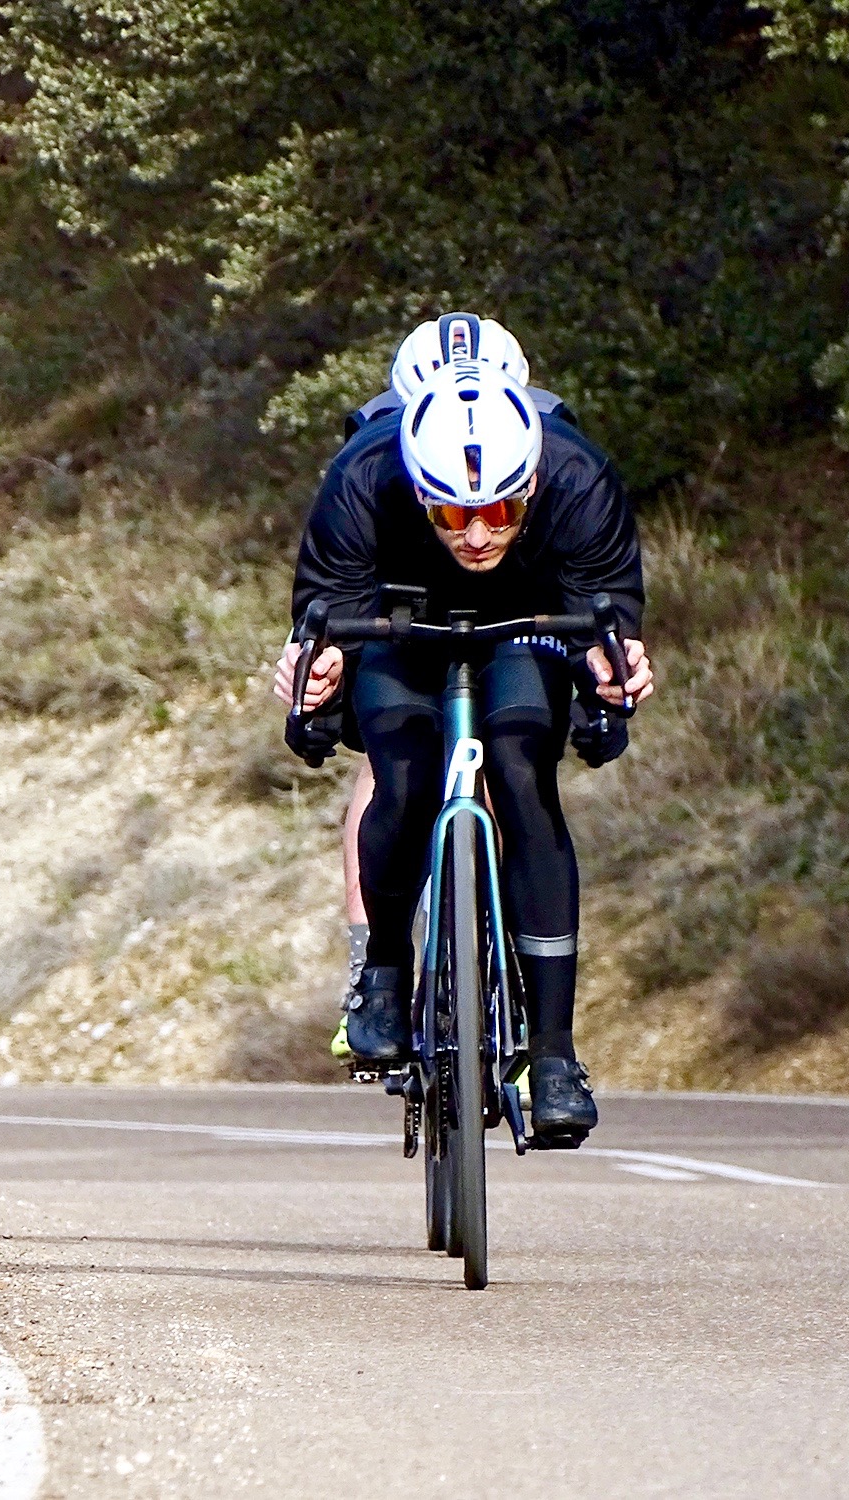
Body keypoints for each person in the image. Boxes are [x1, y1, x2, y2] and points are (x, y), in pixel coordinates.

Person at [271, 326, 654, 1146]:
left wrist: (612, 667)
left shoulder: (578, 474)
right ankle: (381, 973)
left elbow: (606, 612)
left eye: (501, 510)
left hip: (527, 622)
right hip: (401, 623)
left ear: (534, 482)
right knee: (401, 774)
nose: (477, 534)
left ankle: (553, 1057)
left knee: (521, 770)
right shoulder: (363, 474)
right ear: (416, 486)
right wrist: (319, 666)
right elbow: (323, 610)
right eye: (450, 511)